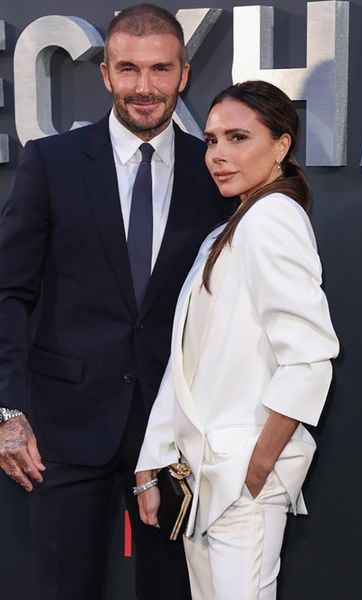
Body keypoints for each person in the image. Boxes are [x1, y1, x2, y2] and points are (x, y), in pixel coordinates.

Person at [0, 5, 234, 600]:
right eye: (128, 69)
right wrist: (7, 410)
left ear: (184, 74)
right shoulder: (51, 164)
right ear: (104, 74)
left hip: (174, 433)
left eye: (160, 69)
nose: (144, 87)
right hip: (62, 429)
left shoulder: (216, 178)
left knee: (174, 590)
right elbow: (9, 290)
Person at [135, 80, 340, 599]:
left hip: (238, 479)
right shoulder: (229, 228)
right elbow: (188, 361)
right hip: (204, 478)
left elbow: (310, 355)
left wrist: (257, 469)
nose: (218, 155)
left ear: (281, 144)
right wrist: (150, 460)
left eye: (238, 138)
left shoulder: (273, 218)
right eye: (210, 140)